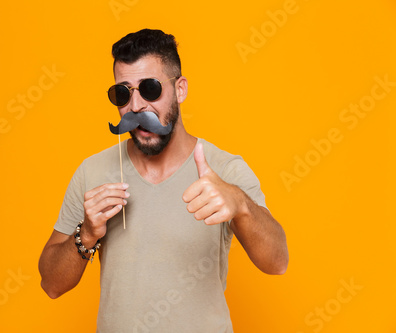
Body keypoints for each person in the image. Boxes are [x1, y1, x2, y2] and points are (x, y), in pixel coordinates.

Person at [38, 28, 288, 332]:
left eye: (151, 89)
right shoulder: (93, 172)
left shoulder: (225, 169)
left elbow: (278, 262)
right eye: (123, 93)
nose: (137, 106)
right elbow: (51, 284)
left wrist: (240, 205)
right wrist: (87, 234)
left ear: (180, 89)